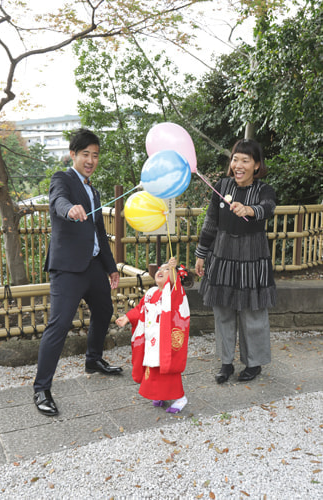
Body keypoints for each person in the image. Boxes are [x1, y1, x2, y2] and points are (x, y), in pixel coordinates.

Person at [33, 128, 122, 417]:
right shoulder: (63, 179)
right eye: (85, 154)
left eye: (95, 155)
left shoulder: (93, 190)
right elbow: (57, 200)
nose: (91, 160)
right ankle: (41, 388)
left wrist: (110, 268)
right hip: (68, 268)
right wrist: (69, 209)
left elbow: (99, 231)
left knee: (104, 309)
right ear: (73, 154)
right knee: (58, 326)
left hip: (94, 265)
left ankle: (93, 360)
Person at [195, 138, 276, 384]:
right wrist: (201, 254)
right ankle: (226, 362)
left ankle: (254, 364)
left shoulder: (264, 190)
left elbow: (268, 208)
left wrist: (249, 210)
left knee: (253, 311)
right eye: (235, 159)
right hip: (222, 255)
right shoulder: (221, 186)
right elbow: (210, 222)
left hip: (253, 257)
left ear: (256, 165)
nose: (238, 164)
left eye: (245, 160)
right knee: (223, 311)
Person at [116, 258, 192, 413]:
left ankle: (180, 397)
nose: (161, 271)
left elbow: (175, 289)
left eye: (166, 270)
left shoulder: (174, 293)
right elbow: (140, 309)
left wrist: (172, 268)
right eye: (160, 269)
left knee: (167, 368)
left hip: (165, 339)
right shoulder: (151, 293)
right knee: (153, 367)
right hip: (152, 338)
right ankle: (160, 394)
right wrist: (128, 317)